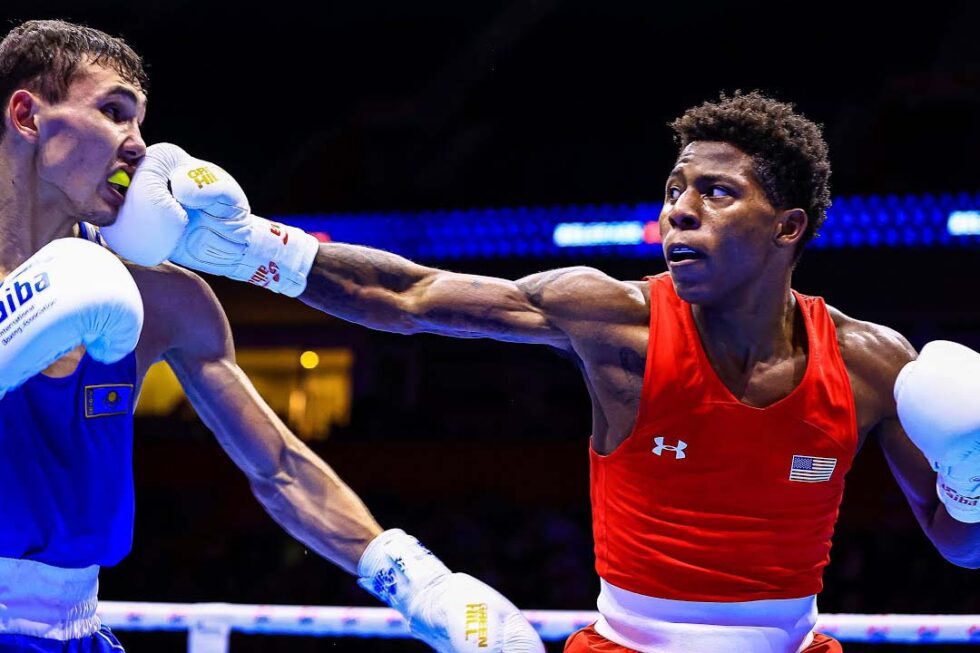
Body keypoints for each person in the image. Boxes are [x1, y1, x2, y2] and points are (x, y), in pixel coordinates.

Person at [121, 90, 980, 652]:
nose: (679, 208)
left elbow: (957, 541)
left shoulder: (875, 364)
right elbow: (413, 296)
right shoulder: (616, 320)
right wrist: (247, 249)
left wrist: (975, 478)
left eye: (716, 192)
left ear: (789, 226)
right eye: (675, 188)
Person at [0, 19, 544, 653]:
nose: (139, 147)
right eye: (115, 112)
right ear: (28, 115)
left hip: (74, 630)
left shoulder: (165, 298)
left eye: (141, 122)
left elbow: (278, 467)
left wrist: (419, 583)